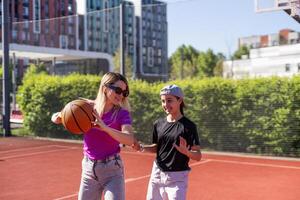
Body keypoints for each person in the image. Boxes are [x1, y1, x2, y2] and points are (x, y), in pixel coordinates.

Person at [51, 72, 139, 200]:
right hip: (89, 169)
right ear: (105, 88)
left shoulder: (122, 113)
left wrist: (105, 128)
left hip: (112, 170)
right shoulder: (86, 108)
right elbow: (54, 117)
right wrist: (61, 117)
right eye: (118, 90)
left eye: (124, 93)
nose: (121, 95)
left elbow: (129, 139)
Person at [138, 84, 202, 200]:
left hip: (177, 178)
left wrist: (187, 152)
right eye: (163, 101)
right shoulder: (158, 124)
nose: (165, 105)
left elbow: (198, 156)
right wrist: (142, 147)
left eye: (169, 100)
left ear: (180, 100)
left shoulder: (189, 126)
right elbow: (157, 147)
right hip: (157, 174)